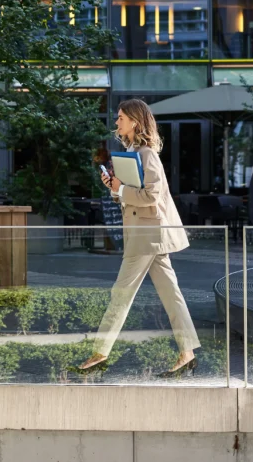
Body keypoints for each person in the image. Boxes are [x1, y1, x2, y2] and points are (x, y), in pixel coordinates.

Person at [78, 99, 201, 377]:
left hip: (147, 235)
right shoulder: (132, 151)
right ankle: (187, 352)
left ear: (134, 121)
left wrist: (121, 190)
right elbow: (131, 195)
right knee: (172, 295)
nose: (117, 122)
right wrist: (115, 188)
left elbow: (152, 196)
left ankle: (100, 353)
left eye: (121, 117)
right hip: (146, 233)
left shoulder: (146, 154)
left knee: (121, 293)